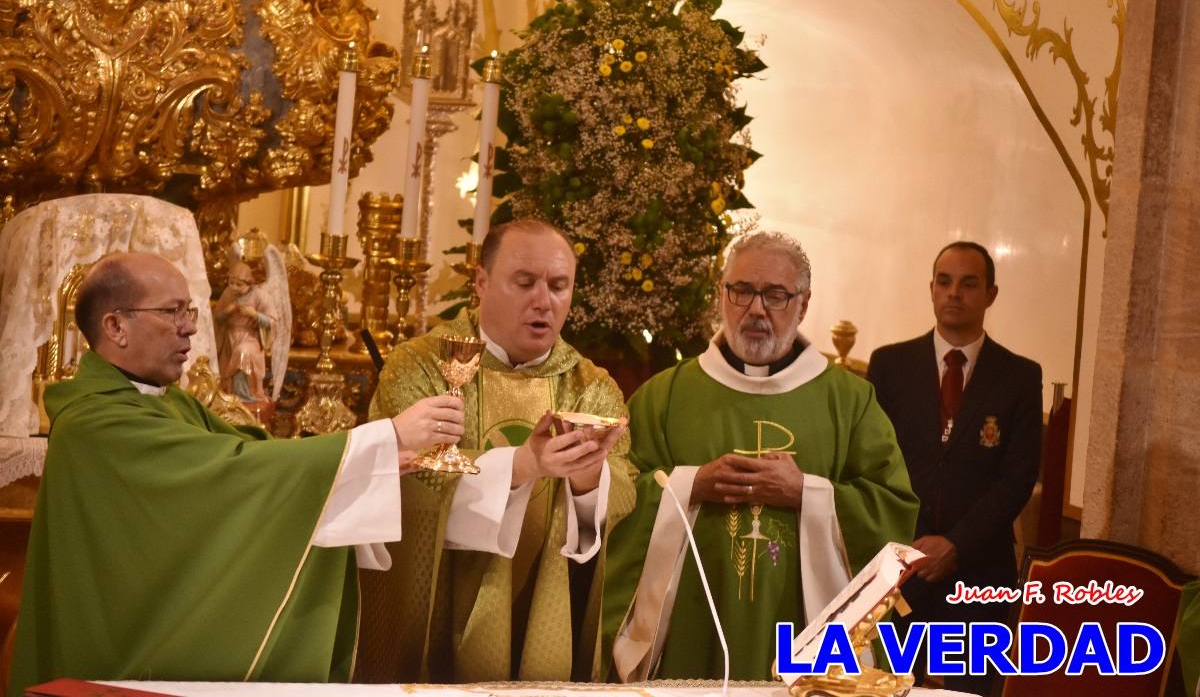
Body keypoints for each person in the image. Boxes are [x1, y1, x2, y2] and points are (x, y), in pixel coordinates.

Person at [8, 252, 474, 694]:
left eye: (189, 310)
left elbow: (249, 456)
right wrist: (384, 436)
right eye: (172, 312)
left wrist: (364, 466)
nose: (190, 327)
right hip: (117, 656)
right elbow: (234, 474)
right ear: (115, 326)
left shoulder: (167, 401)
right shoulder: (96, 422)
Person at [602, 231, 918, 681]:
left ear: (803, 305)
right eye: (742, 291)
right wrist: (691, 485)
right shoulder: (664, 396)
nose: (756, 309)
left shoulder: (850, 401)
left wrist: (805, 493)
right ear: (722, 294)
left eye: (774, 295)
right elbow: (616, 497)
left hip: (806, 630)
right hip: (692, 629)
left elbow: (893, 511)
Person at [358, 219, 636, 683]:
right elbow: (407, 482)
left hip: (542, 613)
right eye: (524, 282)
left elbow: (626, 489)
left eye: (559, 285)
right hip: (433, 614)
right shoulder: (421, 367)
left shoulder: (590, 387)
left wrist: (589, 480)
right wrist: (522, 465)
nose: (543, 301)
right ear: (481, 282)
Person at [867, 241, 1042, 696]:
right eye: (944, 282)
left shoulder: (1020, 376)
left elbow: (1018, 477)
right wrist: (913, 544)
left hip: (980, 572)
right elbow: (872, 462)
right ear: (931, 289)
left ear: (991, 294)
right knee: (888, 686)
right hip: (901, 563)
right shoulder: (890, 365)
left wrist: (956, 544)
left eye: (969, 283)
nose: (954, 293)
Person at [213, 261, 274, 405]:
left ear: (250, 284)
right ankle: (230, 394)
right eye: (231, 282)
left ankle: (243, 396)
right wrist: (228, 311)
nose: (233, 287)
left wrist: (254, 314)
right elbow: (217, 319)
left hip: (250, 337)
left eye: (239, 285)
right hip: (229, 337)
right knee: (230, 354)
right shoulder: (227, 294)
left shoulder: (260, 296)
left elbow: (271, 322)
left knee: (243, 352)